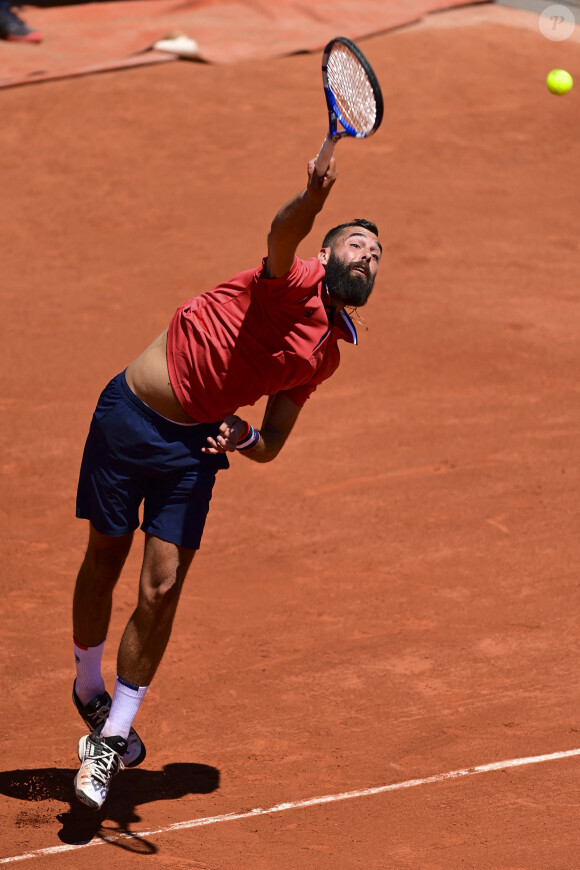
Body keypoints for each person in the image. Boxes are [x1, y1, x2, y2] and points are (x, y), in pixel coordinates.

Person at [72, 155, 382, 810]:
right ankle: (85, 683)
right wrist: (312, 195)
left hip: (194, 451)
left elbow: (269, 445)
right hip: (129, 417)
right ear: (325, 259)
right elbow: (282, 233)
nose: (370, 257)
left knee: (161, 587)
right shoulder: (292, 281)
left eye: (378, 255)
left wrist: (245, 439)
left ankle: (110, 739)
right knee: (105, 552)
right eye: (358, 245)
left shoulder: (322, 357)